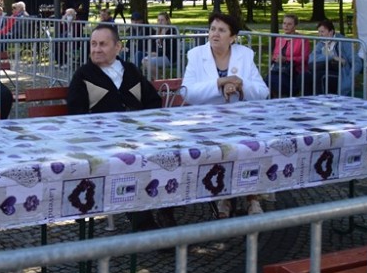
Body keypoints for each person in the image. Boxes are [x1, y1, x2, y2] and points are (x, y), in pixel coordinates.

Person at [66, 23, 166, 230]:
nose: (96, 49)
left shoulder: (130, 70)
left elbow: (153, 101)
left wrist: (146, 128)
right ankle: (143, 222)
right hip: (103, 142)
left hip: (140, 137)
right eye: (93, 44)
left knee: (169, 154)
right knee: (130, 162)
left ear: (118, 47)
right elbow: (76, 115)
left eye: (102, 44)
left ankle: (168, 211)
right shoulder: (83, 75)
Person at [181, 12, 268, 218]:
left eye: (221, 30)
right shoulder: (196, 54)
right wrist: (219, 83)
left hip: (240, 118)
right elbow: (187, 92)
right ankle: (224, 196)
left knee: (249, 146)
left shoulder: (245, 55)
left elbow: (263, 92)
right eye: (212, 29)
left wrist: (241, 84)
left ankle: (251, 197)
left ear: (233, 37)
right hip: (206, 120)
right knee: (221, 148)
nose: (215, 34)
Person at [308, 19, 359, 96]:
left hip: (340, 74)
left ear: (331, 32)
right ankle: (308, 100)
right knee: (305, 76)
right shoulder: (321, 43)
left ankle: (321, 100)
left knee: (320, 76)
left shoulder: (343, 42)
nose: (320, 34)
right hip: (323, 69)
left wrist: (349, 78)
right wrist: (332, 57)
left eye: (322, 32)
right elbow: (311, 58)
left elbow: (357, 62)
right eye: (319, 32)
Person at [266, 14, 311, 98]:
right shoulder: (279, 38)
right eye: (284, 23)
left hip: (295, 71)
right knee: (268, 79)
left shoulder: (302, 39)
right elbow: (275, 54)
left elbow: (304, 58)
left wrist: (287, 59)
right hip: (278, 69)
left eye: (289, 24)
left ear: (295, 26)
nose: (286, 26)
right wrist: (275, 58)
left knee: (274, 80)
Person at [141, 13, 178, 80]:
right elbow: (154, 45)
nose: (160, 22)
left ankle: (158, 79)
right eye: (158, 20)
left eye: (162, 20)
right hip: (159, 55)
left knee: (147, 62)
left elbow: (169, 48)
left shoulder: (171, 32)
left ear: (167, 21)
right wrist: (153, 52)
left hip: (169, 57)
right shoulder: (158, 31)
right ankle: (156, 78)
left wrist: (157, 53)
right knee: (144, 60)